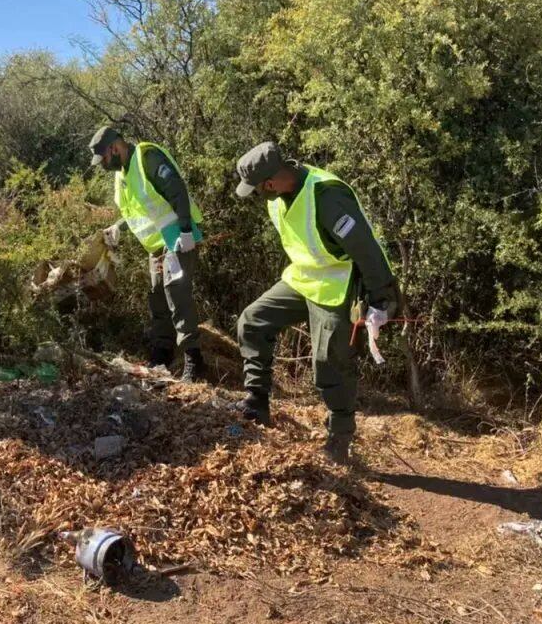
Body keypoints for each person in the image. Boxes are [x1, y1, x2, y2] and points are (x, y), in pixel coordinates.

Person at [233, 141, 398, 464]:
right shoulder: (278, 197)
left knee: (330, 360)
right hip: (302, 277)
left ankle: (340, 437)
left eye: (257, 188)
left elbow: (366, 249)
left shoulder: (326, 197)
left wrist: (382, 298)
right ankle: (256, 404)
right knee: (252, 322)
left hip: (336, 283)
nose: (256, 195)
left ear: (269, 181)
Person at [88, 125, 207, 381]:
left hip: (176, 235)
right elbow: (138, 210)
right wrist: (118, 227)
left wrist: (186, 230)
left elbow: (176, 190)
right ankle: (163, 353)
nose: (103, 165)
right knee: (156, 295)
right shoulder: (122, 174)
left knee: (176, 292)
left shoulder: (147, 157)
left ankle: (193, 359)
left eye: (104, 159)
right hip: (156, 245)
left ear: (115, 147)